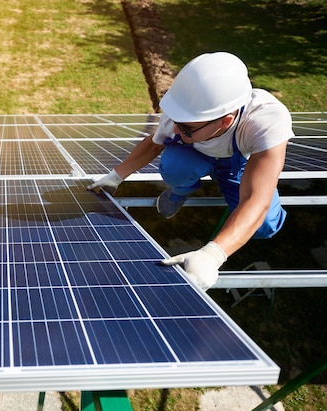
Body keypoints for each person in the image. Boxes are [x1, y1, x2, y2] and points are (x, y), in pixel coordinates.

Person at [88, 51, 294, 290]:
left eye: (186, 128)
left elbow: (256, 200)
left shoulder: (265, 121)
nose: (175, 128)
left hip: (239, 164)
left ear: (225, 121)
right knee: (174, 166)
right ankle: (179, 191)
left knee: (263, 226)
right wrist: (116, 176)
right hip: (194, 155)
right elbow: (154, 144)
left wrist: (213, 254)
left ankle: (221, 181)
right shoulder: (185, 113)